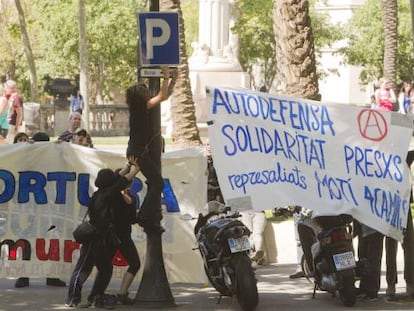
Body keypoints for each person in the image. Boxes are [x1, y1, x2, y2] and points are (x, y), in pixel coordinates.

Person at [65, 158, 139, 308]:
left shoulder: (101, 192)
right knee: (83, 269)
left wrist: (128, 166)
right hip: (93, 238)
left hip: (101, 239)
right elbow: (122, 181)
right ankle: (72, 299)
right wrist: (136, 169)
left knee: (106, 269)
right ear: (109, 183)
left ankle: (95, 297)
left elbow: (118, 179)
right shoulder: (107, 194)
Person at [125, 65, 177, 233]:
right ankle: (145, 214)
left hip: (138, 151)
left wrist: (173, 80)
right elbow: (161, 96)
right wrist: (166, 77)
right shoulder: (141, 108)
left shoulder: (139, 108)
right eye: (145, 90)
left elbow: (164, 96)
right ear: (140, 96)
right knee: (157, 183)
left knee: (155, 182)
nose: (148, 92)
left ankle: (146, 213)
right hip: (138, 152)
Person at [13, 131, 67, 288]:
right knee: (39, 241)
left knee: (35, 241)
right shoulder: (29, 155)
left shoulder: (50, 155)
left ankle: (27, 276)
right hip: (37, 207)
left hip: (41, 207)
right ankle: (44, 276)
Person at [385, 150, 414, 298]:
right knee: (391, 246)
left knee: (409, 245)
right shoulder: (383, 154)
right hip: (389, 204)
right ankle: (391, 284)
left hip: (404, 205)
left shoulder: (405, 155)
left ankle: (410, 283)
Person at [112, 169, 140, 305]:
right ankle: (122, 294)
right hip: (122, 236)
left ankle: (96, 294)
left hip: (109, 235)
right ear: (129, 185)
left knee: (104, 266)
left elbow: (115, 178)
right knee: (134, 264)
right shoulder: (130, 199)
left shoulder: (109, 195)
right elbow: (133, 219)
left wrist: (129, 167)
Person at [354, 221, 384, 301]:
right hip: (362, 228)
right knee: (362, 260)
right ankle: (364, 287)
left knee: (373, 261)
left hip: (375, 229)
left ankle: (372, 291)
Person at [5, 80, 23, 144]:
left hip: (13, 124)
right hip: (10, 123)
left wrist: (16, 127)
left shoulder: (16, 98)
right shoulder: (11, 96)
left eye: (6, 88)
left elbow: (19, 114)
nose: (5, 89)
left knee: (9, 143)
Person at [289, 206, 305, 278]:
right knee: (299, 242)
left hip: (309, 209)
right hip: (300, 211)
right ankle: (301, 268)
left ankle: (301, 268)